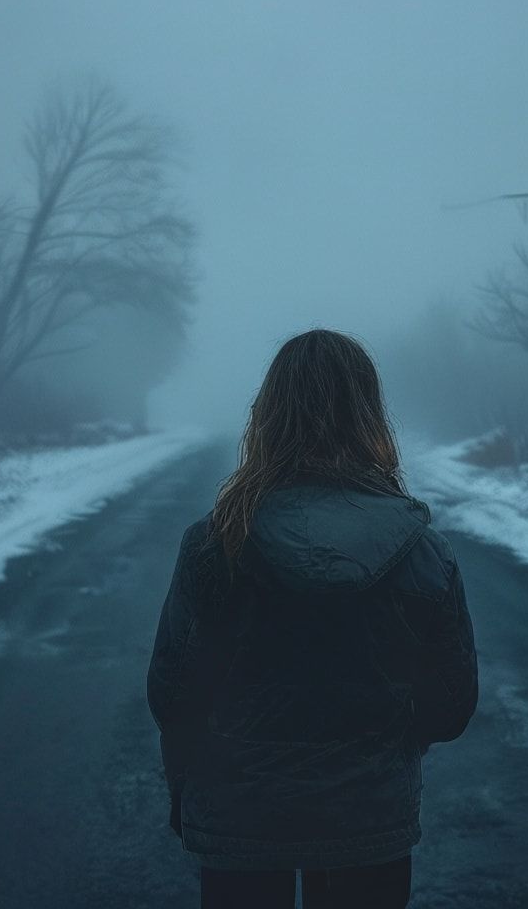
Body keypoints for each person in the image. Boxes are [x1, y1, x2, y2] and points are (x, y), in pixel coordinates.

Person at [146, 328, 479, 908]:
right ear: (370, 417)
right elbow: (450, 709)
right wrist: (380, 746)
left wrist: (193, 783)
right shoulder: (423, 552)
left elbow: (172, 695)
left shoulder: (212, 545)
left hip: (239, 816)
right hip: (368, 823)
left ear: (268, 416)